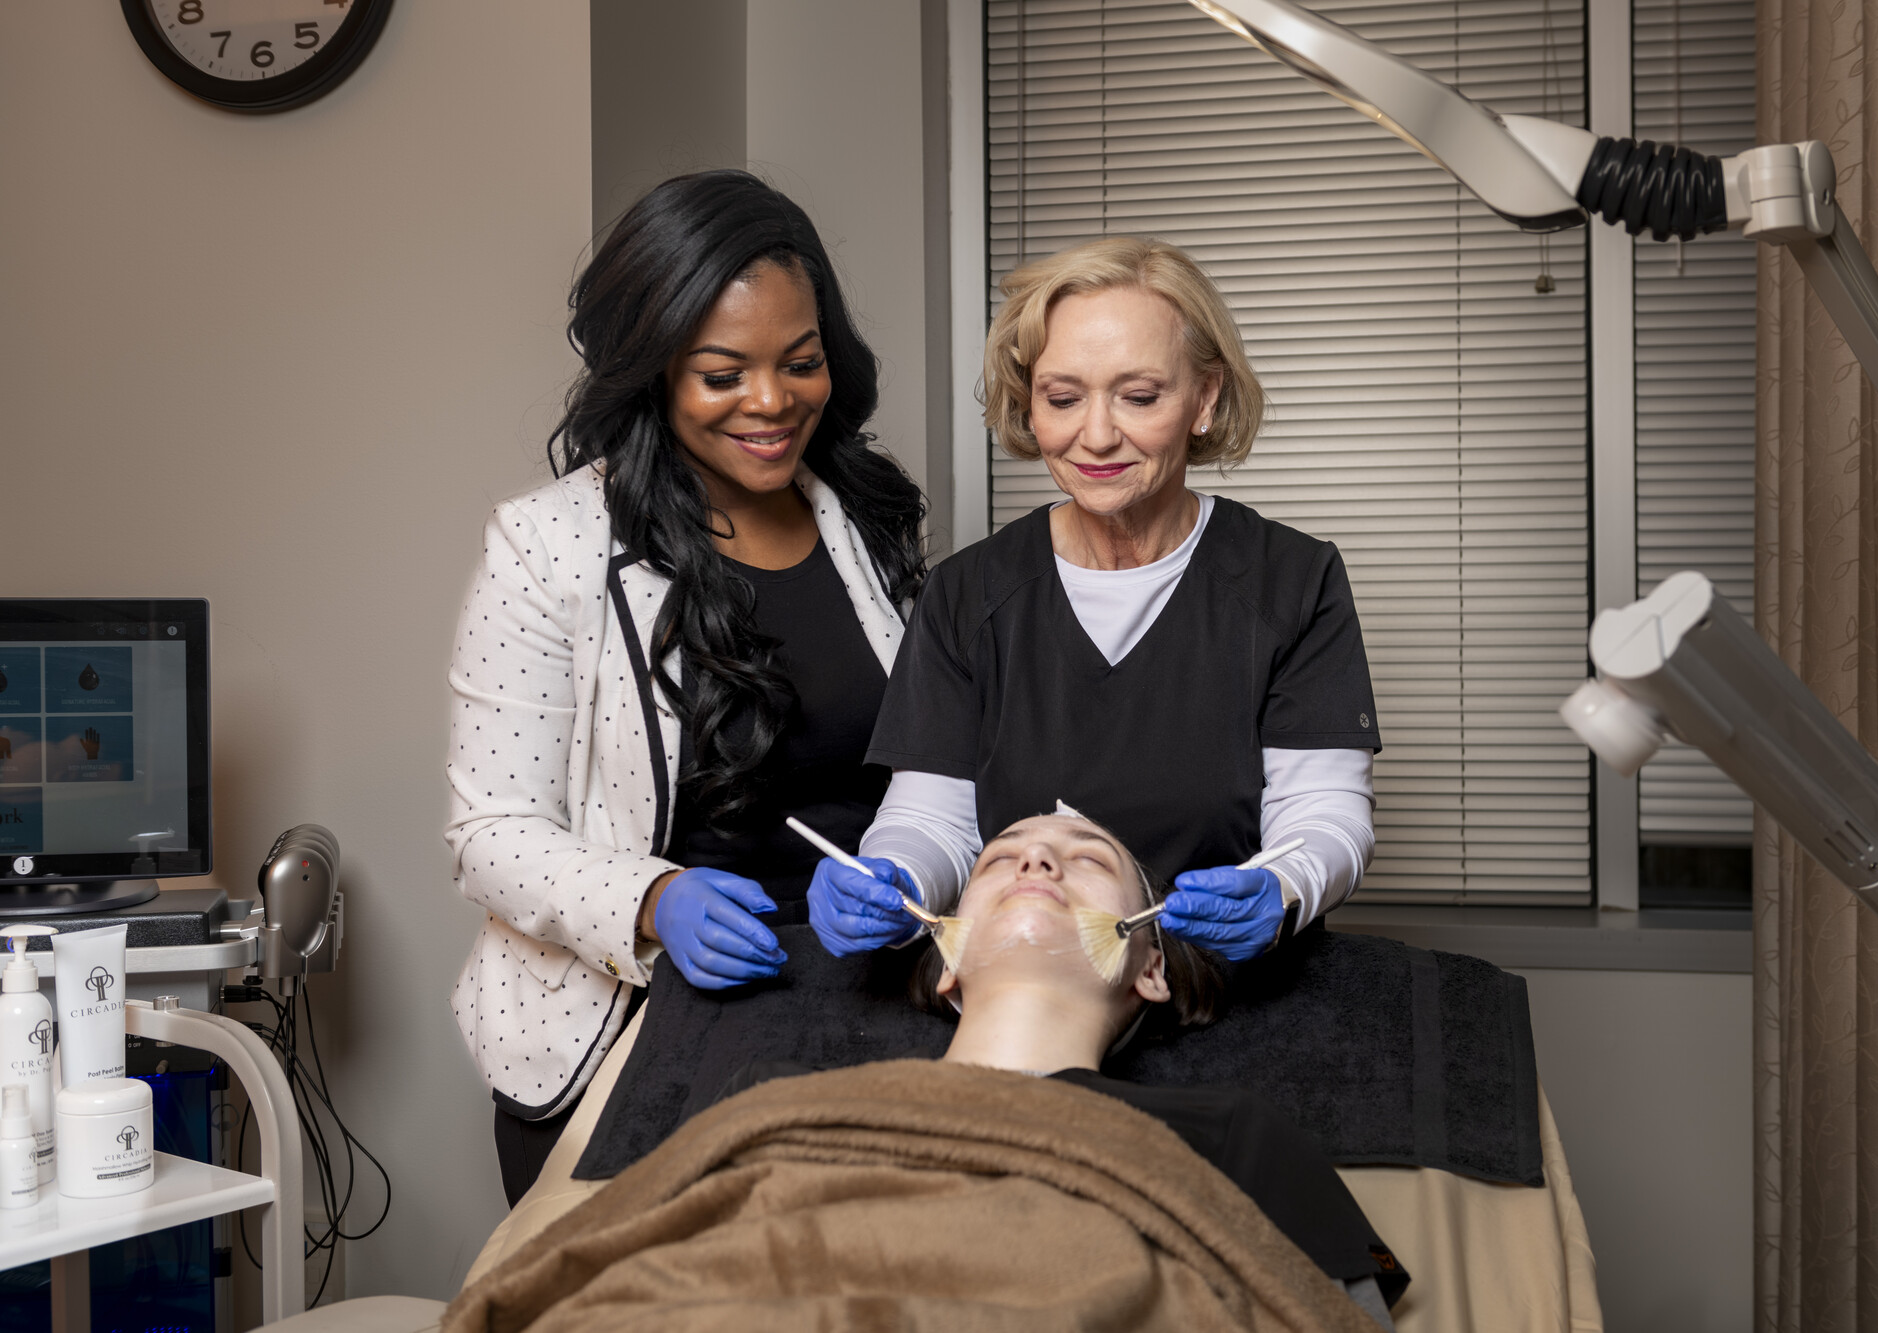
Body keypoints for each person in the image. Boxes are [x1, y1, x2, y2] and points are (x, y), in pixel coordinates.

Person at [449, 810, 1405, 1332]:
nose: (1039, 860)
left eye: (1086, 860)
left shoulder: (1228, 1133)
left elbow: (1325, 1313)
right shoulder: (787, 1110)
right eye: (1003, 858)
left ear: (1149, 964)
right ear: (945, 959)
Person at [445, 170, 926, 1203]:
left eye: (799, 363)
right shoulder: (549, 547)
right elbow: (488, 832)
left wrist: (912, 868)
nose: (771, 401)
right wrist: (656, 899)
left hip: (857, 1008)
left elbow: (933, 763)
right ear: (652, 369)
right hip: (641, 1021)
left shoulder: (867, 521)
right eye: (723, 372)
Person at [809, 236, 1379, 966]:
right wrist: (894, 876)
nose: (1098, 434)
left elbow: (1325, 814)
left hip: (1223, 987)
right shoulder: (968, 596)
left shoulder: (1291, 581)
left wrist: (1281, 886)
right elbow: (933, 817)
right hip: (1031, 976)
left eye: (1139, 397)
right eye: (1063, 398)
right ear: (1029, 403)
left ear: (1204, 398)